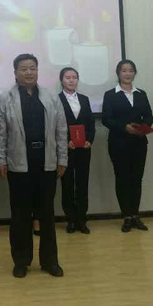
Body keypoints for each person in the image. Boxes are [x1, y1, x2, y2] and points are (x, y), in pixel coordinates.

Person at [0, 54, 67, 278]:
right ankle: (21, 261)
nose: (29, 72)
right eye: (24, 69)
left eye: (33, 68)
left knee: (47, 214)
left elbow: (61, 129)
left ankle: (50, 261)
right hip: (19, 163)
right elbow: (0, 132)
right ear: (15, 72)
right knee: (20, 215)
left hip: (46, 162)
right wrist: (1, 160)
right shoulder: (6, 98)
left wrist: (62, 159)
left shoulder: (50, 96)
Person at [102, 59, 153, 233]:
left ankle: (135, 215)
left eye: (131, 70)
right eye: (124, 70)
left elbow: (149, 116)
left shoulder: (141, 94)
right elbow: (106, 119)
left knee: (137, 179)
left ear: (134, 73)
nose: (127, 73)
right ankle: (126, 216)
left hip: (139, 143)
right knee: (122, 179)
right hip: (118, 143)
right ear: (118, 73)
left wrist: (143, 126)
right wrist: (124, 127)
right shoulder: (110, 94)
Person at [58, 66, 96, 235]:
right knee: (67, 184)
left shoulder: (84, 99)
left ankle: (82, 219)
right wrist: (66, 141)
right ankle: (71, 220)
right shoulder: (56, 99)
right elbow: (54, 124)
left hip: (84, 149)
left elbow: (91, 123)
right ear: (62, 80)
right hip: (65, 149)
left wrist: (89, 140)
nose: (71, 80)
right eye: (68, 77)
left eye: (74, 77)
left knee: (82, 183)